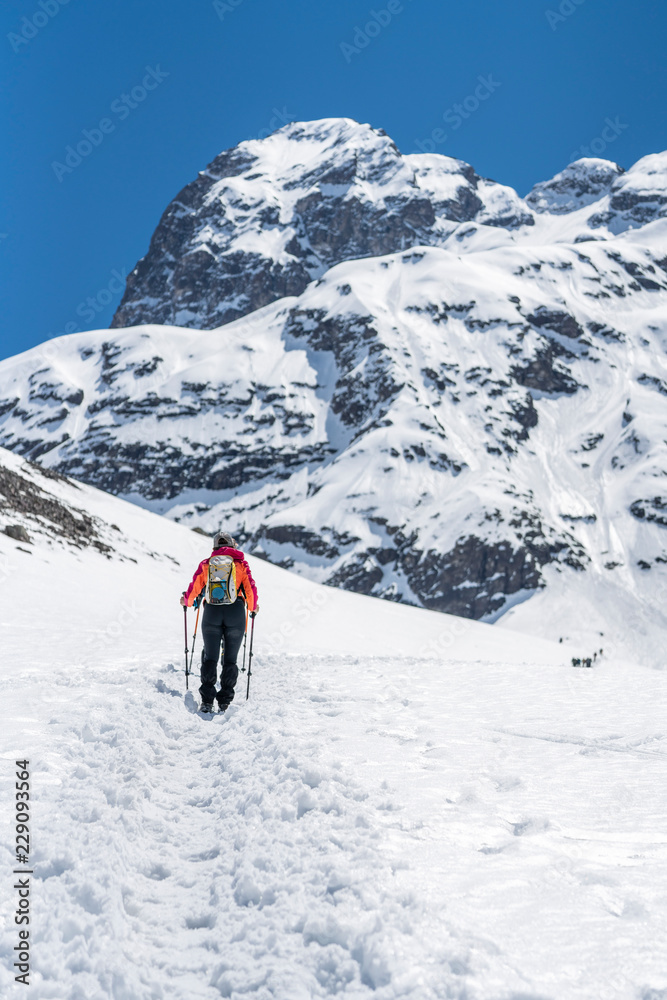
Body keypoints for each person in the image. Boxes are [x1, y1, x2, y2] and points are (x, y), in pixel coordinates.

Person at [180, 530, 259, 713]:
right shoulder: (240, 565)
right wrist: (254, 608)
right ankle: (224, 701)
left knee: (210, 657)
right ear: (233, 546)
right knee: (230, 659)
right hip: (236, 613)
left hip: (212, 613)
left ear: (214, 547)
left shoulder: (207, 564)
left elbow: (193, 591)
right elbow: (251, 592)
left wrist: (186, 601)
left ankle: (207, 701)